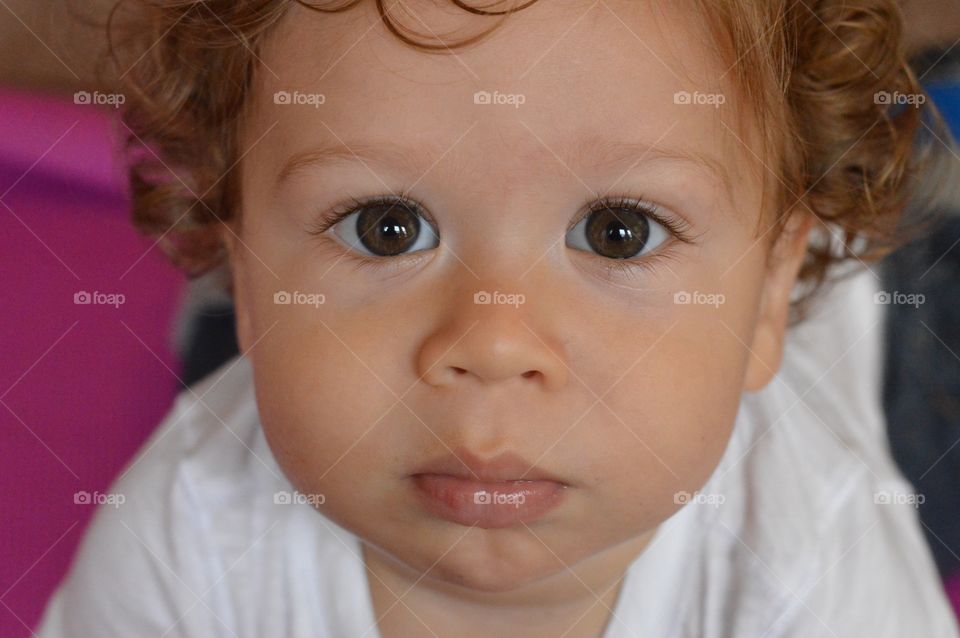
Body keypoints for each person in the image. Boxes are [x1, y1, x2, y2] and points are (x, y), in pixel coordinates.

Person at [35, 0, 960, 636]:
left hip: (870, 351)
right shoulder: (189, 531)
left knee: (910, 230)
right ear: (242, 259)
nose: (493, 340)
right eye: (386, 227)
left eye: (619, 231)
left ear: (762, 298)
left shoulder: (807, 559)